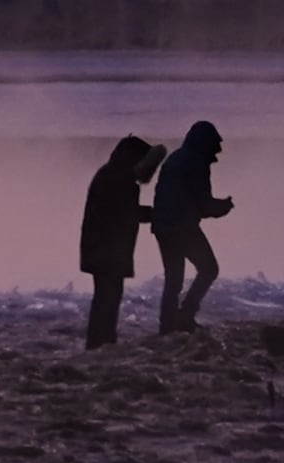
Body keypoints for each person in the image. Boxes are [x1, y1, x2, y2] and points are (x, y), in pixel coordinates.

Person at [152, 119, 234, 336]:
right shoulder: (197, 163)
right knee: (209, 269)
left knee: (173, 278)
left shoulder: (175, 158)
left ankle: (167, 325)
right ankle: (185, 316)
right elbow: (203, 204)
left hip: (163, 227)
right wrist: (223, 207)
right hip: (182, 228)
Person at [78, 135, 160, 349]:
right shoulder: (119, 180)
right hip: (107, 252)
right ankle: (100, 342)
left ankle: (100, 341)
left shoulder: (111, 175)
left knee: (106, 298)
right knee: (108, 299)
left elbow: (124, 213)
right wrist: (160, 213)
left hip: (101, 249)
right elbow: (127, 214)